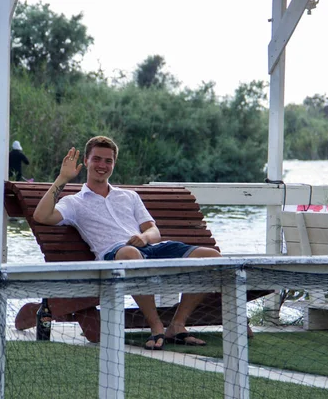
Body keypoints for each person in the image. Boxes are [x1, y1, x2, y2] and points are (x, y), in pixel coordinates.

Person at [33, 136, 222, 350]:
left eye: (108, 161)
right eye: (96, 159)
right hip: (115, 256)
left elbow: (154, 230)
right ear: (86, 161)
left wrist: (144, 237)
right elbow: (41, 216)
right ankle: (156, 326)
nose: (102, 166)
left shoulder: (129, 197)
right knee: (130, 254)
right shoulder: (74, 203)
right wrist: (62, 178)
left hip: (149, 248)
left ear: (114, 164)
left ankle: (177, 325)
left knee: (212, 257)